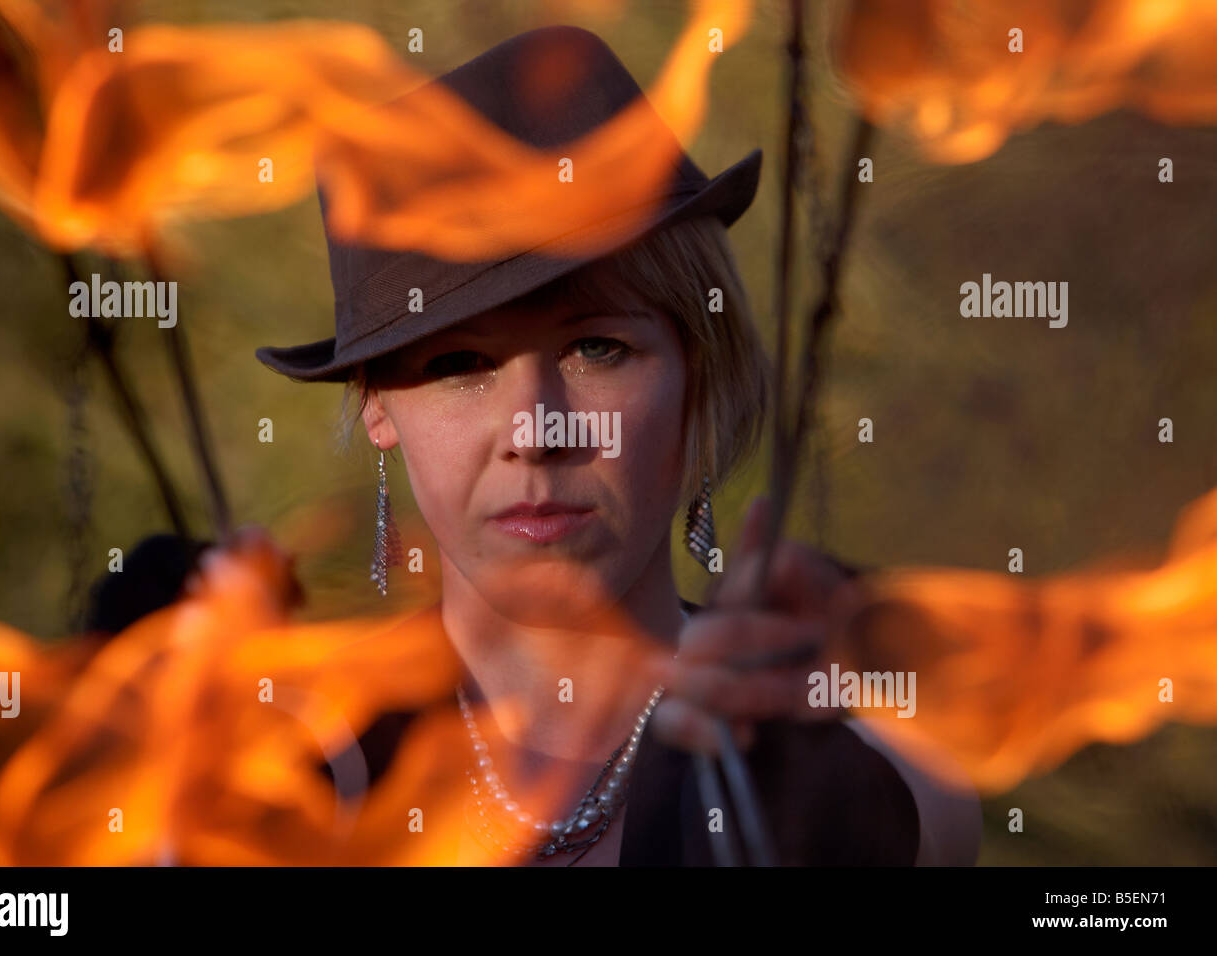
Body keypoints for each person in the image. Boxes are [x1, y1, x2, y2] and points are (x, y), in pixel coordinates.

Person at [253, 24, 981, 866]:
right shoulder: (265, 775)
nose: (537, 429)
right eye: (459, 362)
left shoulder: (877, 782)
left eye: (597, 348)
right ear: (377, 404)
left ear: (698, 371)